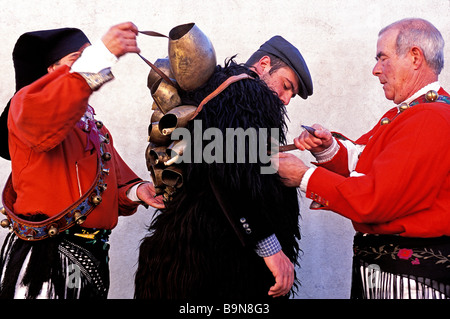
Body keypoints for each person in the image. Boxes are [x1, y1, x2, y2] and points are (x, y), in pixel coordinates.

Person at [275, 18, 449, 299]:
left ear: (415, 57)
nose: (375, 69)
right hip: (392, 273)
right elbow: (367, 162)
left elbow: (376, 199)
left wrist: (303, 176)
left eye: (383, 58)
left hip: (411, 281)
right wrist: (327, 148)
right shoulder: (410, 113)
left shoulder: (430, 118)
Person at [134, 36, 313, 299]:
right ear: (264, 64)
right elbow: (232, 174)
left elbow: (235, 161)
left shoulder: (218, 92)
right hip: (216, 265)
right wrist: (270, 247)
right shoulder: (247, 94)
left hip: (181, 258)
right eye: (286, 86)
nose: (285, 100)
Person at [0, 22, 164, 299]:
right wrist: (101, 54)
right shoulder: (26, 104)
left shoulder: (93, 127)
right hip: (46, 259)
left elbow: (109, 184)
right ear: (51, 71)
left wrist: (137, 191)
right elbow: (47, 121)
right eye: (77, 59)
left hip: (93, 256)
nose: (89, 63)